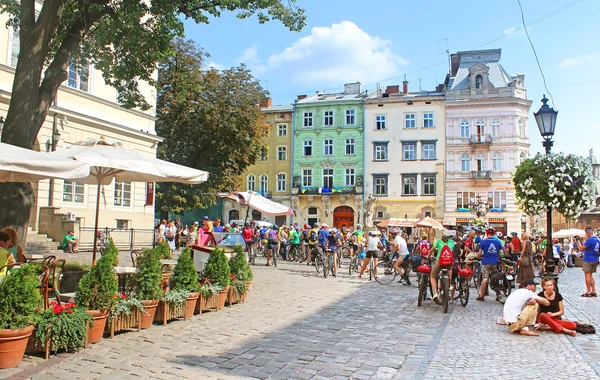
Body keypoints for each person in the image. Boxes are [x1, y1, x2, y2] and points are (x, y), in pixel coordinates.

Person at [476, 228, 505, 302]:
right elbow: (501, 251)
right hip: (495, 262)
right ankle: (498, 295)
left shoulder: (483, 242)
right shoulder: (497, 241)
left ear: (487, 233)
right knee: (496, 278)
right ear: (493, 234)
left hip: (486, 262)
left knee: (485, 278)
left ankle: (481, 296)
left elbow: (479, 253)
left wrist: (477, 257)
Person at [428, 229, 456, 302]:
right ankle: (449, 285)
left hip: (439, 261)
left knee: (433, 276)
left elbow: (431, 250)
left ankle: (435, 293)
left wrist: (428, 256)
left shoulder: (439, 241)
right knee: (449, 272)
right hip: (449, 262)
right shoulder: (452, 242)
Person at [575, 227, 599, 297]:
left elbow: (581, 248)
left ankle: (588, 291)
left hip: (588, 259)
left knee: (587, 275)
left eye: (586, 233)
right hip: (595, 258)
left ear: (588, 233)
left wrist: (578, 241)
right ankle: (593, 291)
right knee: (591, 275)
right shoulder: (597, 239)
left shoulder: (589, 240)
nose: (586, 234)